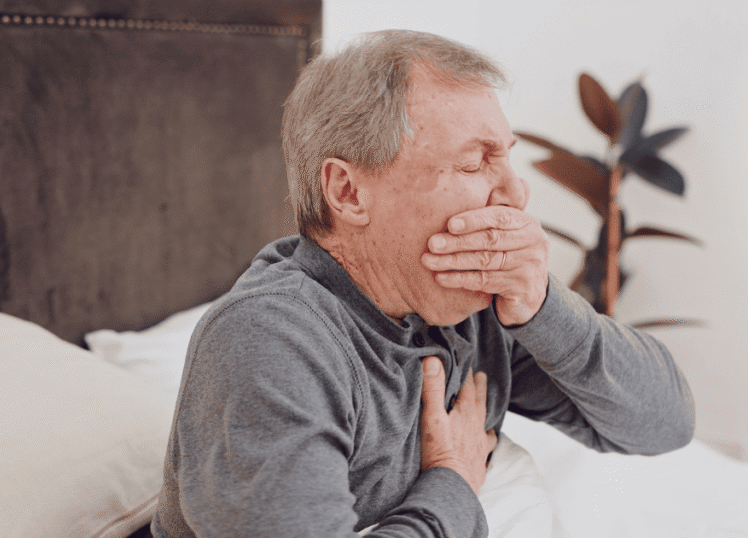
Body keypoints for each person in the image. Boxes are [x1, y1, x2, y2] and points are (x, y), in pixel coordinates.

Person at [151, 29, 694, 538]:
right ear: (348, 192)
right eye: (474, 163)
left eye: (505, 157)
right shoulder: (271, 339)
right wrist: (453, 484)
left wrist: (541, 305)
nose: (516, 193)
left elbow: (667, 423)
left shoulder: (472, 315)